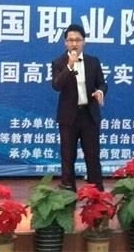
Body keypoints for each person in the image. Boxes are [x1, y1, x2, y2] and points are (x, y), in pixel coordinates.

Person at [51, 23, 108, 191]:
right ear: (65, 43)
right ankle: (68, 195)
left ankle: (96, 195)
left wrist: (100, 92)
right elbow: (56, 85)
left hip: (89, 116)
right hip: (68, 118)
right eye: (70, 40)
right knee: (68, 157)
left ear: (84, 42)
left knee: (92, 157)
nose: (74, 43)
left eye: (78, 40)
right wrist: (70, 65)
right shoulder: (59, 62)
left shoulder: (93, 62)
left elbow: (102, 84)